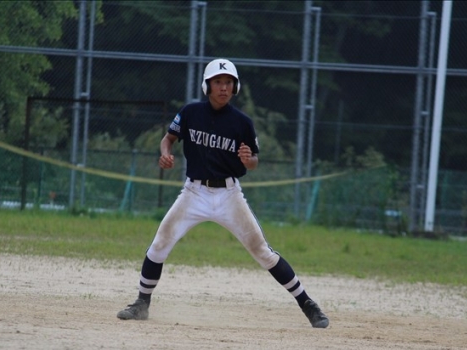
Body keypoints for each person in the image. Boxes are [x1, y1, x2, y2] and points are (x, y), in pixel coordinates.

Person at [116, 58, 329, 328]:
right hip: (194, 192)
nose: (224, 87)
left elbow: (254, 162)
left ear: (235, 87)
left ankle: (308, 304)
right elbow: (168, 138)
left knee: (262, 250)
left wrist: (248, 160)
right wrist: (165, 153)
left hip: (229, 195)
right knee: (160, 243)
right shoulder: (191, 112)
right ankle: (141, 303)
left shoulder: (242, 122)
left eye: (229, 82)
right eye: (218, 82)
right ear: (207, 86)